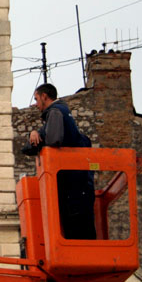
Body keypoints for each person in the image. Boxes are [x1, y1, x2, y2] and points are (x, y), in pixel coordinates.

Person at [29, 83, 96, 240]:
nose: (35, 104)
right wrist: (34, 133)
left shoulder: (55, 112)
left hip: (73, 189)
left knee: (77, 235)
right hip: (79, 187)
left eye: (37, 99)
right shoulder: (62, 113)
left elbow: (53, 139)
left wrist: (40, 139)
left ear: (45, 97)